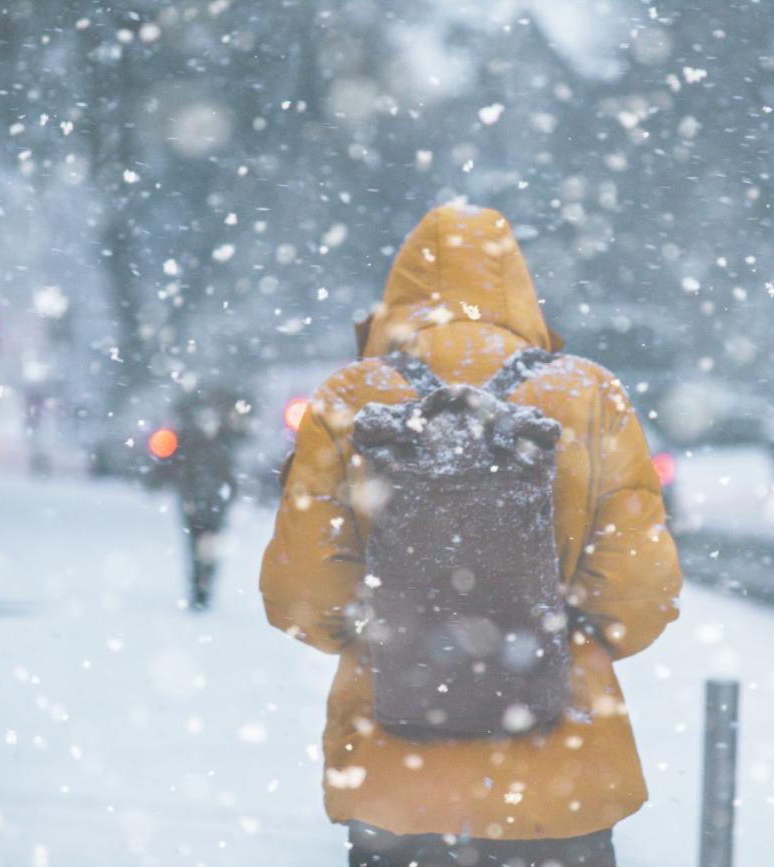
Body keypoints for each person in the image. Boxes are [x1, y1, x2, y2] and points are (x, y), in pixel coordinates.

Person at [260, 203, 683, 866]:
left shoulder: (351, 397)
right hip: (562, 788)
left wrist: (404, 632)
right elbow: (639, 597)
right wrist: (538, 634)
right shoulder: (589, 392)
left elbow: (301, 597)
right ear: (520, 288)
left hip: (396, 790)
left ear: (399, 290)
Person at [154, 387, 244, 610]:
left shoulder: (217, 437)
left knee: (204, 547)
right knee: (199, 547)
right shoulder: (198, 437)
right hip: (200, 501)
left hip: (209, 502)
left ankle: (202, 590)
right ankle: (200, 590)